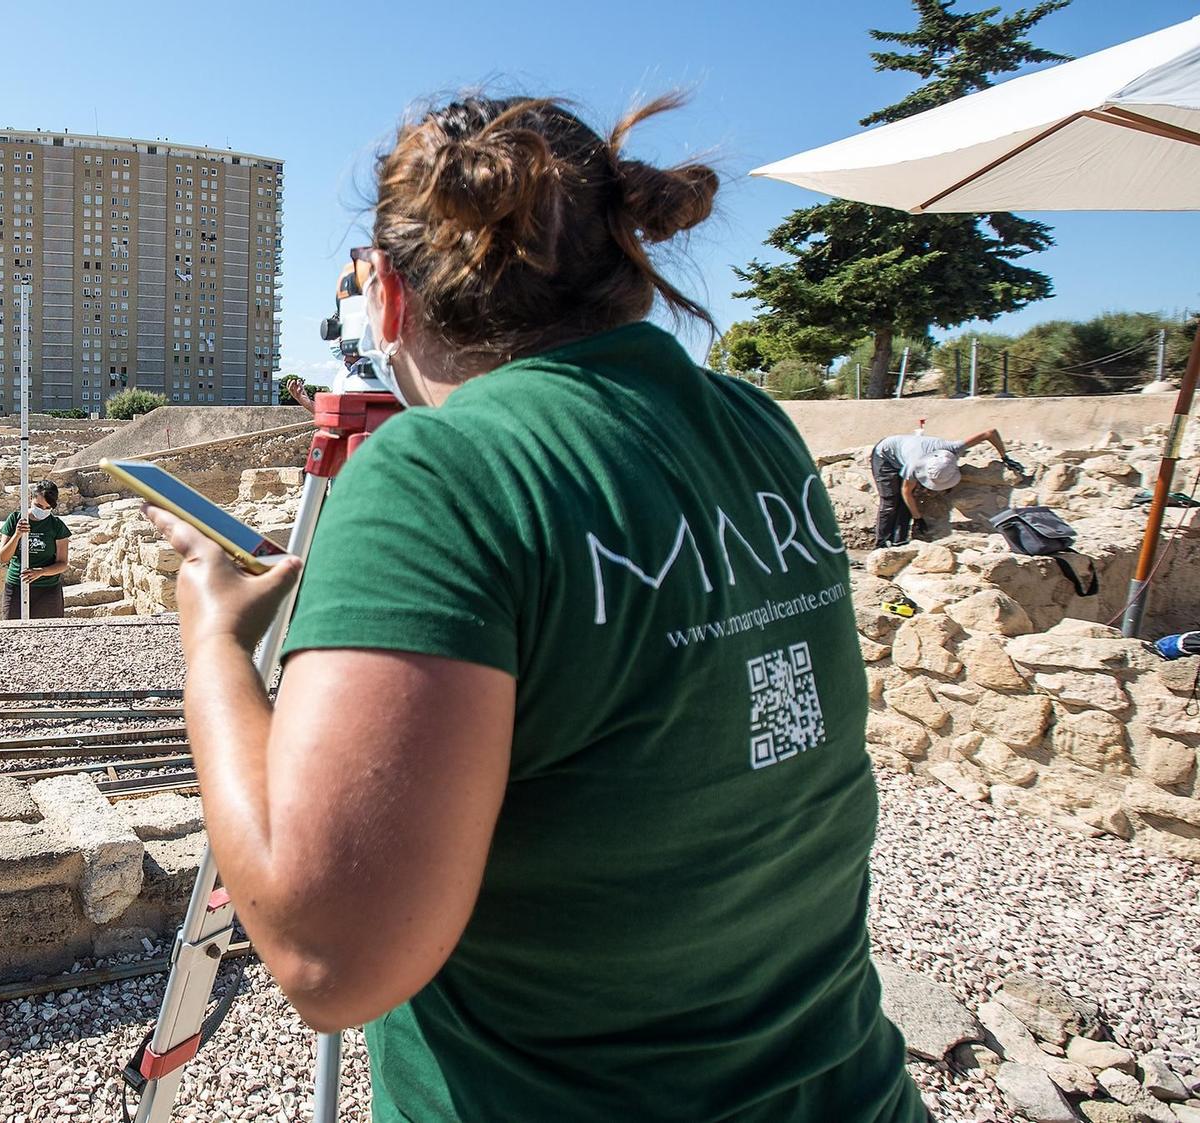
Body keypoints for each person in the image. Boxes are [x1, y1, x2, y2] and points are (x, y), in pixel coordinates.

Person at [147, 93, 927, 1122]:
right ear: (624, 263)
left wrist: (213, 641)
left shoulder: (443, 470)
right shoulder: (749, 422)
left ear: (385, 300)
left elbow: (327, 958)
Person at [871, 427, 1012, 547]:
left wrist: (1005, 457)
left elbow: (990, 433)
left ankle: (899, 543)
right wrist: (918, 518)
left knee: (906, 505)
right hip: (885, 456)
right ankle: (881, 544)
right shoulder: (914, 464)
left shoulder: (952, 448)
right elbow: (906, 491)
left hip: (908, 451)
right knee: (891, 501)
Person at [0, 480, 71, 620]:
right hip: (16, 585)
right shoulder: (15, 519)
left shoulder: (57, 526)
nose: (42, 510)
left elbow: (62, 563)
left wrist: (41, 572)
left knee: (49, 631)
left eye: (47, 507)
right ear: (31, 499)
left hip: (47, 589)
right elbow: (3, 558)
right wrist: (17, 535)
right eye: (38, 505)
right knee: (12, 630)